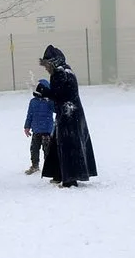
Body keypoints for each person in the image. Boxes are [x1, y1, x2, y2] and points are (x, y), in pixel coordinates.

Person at [36, 44, 97, 187]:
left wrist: (44, 91)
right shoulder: (67, 70)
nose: (45, 68)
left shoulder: (59, 73)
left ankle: (69, 179)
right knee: (59, 143)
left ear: (52, 62)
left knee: (67, 145)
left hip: (68, 114)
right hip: (73, 113)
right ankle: (58, 173)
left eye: (46, 64)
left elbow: (59, 95)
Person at [23, 79, 54, 175]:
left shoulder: (50, 102)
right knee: (34, 149)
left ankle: (49, 167)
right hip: (36, 130)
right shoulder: (33, 102)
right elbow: (30, 115)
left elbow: (56, 109)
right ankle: (35, 165)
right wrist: (27, 126)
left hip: (47, 131)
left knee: (47, 150)